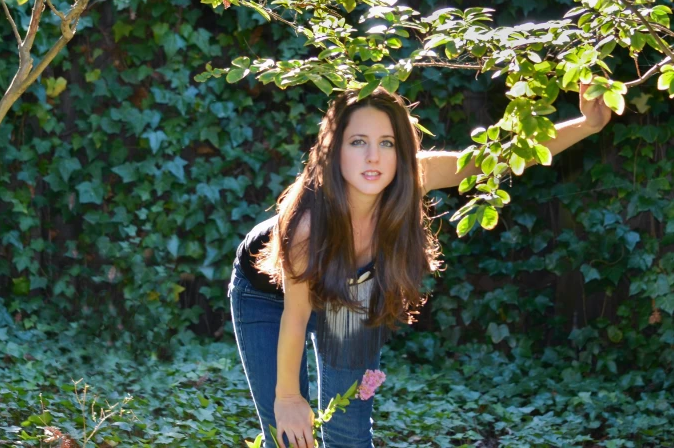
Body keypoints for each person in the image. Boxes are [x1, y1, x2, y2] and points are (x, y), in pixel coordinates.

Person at [228, 84, 612, 448]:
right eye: (358, 142)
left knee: (348, 434)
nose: (373, 157)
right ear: (334, 150)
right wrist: (289, 397)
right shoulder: (309, 226)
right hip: (269, 300)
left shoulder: (414, 176)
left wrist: (588, 124)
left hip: (348, 295)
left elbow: (497, 160)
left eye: (387, 143)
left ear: (401, 152)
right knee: (290, 435)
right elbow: (295, 318)